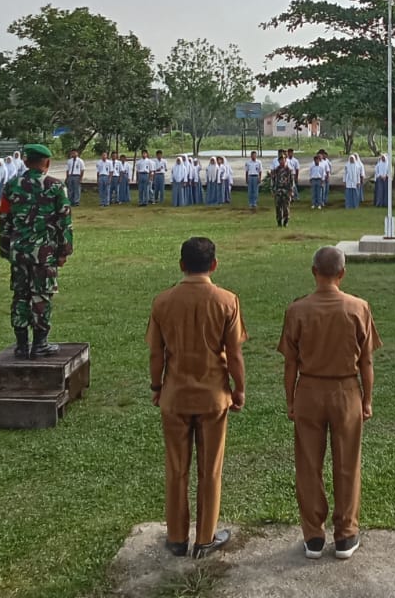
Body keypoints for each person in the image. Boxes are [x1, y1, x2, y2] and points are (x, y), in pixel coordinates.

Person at [278, 246, 382, 560]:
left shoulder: (297, 310)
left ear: (314, 272)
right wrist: (367, 399)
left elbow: (290, 365)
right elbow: (366, 363)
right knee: (347, 463)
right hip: (346, 390)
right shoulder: (358, 307)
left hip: (308, 389)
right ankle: (346, 534)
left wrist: (290, 399)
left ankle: (313, 536)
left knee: (308, 465)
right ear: (342, 273)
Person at [146, 237, 245, 559]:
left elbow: (156, 354)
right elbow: (234, 353)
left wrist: (156, 387)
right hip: (213, 397)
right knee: (210, 470)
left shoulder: (163, 302)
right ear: (214, 265)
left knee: (176, 469)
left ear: (181, 265)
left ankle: (176, 537)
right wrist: (238, 388)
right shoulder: (227, 300)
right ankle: (205, 538)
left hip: (174, 396)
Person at [0, 143, 73, 359]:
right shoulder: (55, 186)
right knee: (41, 296)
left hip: (19, 252)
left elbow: (4, 219)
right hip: (44, 253)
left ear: (25, 161)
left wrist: (6, 249)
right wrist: (63, 252)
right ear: (47, 163)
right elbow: (64, 221)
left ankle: (21, 345)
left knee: (20, 296)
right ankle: (40, 344)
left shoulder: (11, 186)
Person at [271, 150, 294, 227]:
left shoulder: (289, 170)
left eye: (283, 159)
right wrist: (273, 191)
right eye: (280, 160)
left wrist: (291, 191)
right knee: (278, 207)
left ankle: (286, 220)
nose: (282, 161)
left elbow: (291, 181)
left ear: (285, 160)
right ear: (279, 161)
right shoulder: (276, 170)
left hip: (286, 191)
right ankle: (279, 221)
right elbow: (273, 181)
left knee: (286, 207)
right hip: (278, 191)